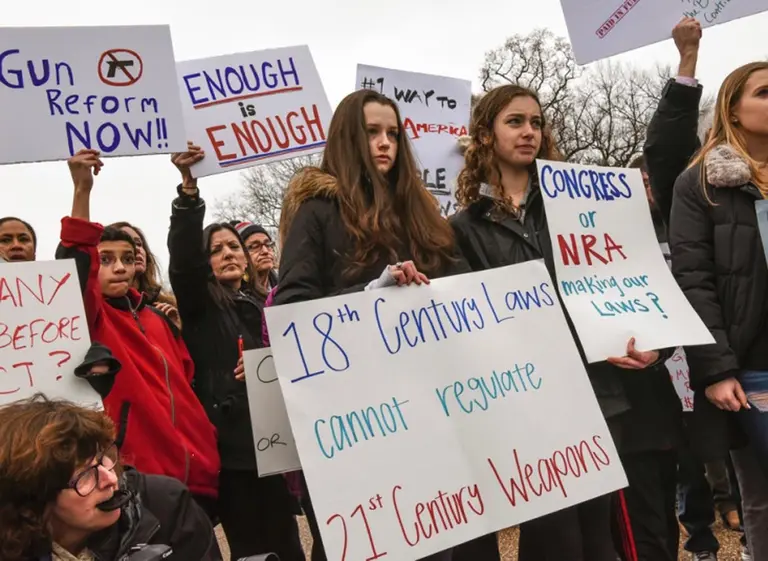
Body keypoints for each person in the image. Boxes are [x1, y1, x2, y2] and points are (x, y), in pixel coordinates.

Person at [449, 84, 670, 561]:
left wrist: (651, 345)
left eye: (536, 122)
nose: (530, 131)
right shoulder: (463, 229)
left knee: (599, 539)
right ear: (485, 134)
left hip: (601, 393)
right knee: (556, 542)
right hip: (528, 402)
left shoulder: (582, 206)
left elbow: (630, 282)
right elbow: (477, 326)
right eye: (515, 122)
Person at [274, 88, 469, 561]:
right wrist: (370, 297)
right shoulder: (317, 210)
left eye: (393, 134)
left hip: (427, 405)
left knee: (431, 540)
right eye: (372, 133)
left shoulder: (420, 211)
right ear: (347, 138)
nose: (384, 143)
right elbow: (292, 306)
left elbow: (461, 284)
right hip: (355, 415)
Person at [56, 148, 220, 514]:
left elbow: (188, 386)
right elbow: (74, 263)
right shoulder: (91, 316)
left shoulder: (159, 318)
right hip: (136, 480)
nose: (118, 268)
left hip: (198, 478)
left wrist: (207, 446)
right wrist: (82, 191)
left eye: (127, 259)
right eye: (106, 259)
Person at [168, 143, 303, 561]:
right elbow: (185, 262)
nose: (227, 254)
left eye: (233, 248)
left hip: (276, 445)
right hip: (233, 452)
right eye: (216, 250)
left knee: (288, 546)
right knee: (252, 552)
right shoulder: (200, 306)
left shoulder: (259, 304)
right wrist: (189, 197)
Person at [668, 59, 768, 560]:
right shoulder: (700, 185)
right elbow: (693, 281)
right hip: (752, 370)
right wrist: (716, 368)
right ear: (732, 107)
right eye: (765, 92)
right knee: (764, 497)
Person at [0, 394, 222, 561]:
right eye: (85, 475)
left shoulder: (166, 506)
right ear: (33, 502)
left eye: (102, 458)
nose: (110, 479)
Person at [109, 221, 181, 327]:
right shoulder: (101, 309)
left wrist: (177, 330)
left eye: (139, 244)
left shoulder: (169, 305)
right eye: (127, 244)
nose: (136, 249)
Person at [232, 221, 279, 293]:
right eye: (255, 246)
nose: (265, 251)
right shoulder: (237, 294)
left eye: (268, 244)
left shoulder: (283, 285)